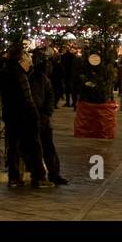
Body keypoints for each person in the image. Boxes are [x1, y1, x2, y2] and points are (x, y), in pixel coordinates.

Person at [0, 42, 52, 188]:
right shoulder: (20, 75)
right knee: (33, 146)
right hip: (25, 116)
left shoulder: (1, 74)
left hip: (10, 115)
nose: (28, 63)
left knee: (12, 147)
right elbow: (27, 98)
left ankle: (13, 178)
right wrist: (35, 116)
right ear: (20, 61)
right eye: (26, 60)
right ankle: (39, 177)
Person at [28, 51, 68, 185]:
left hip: (43, 116)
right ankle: (39, 175)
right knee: (36, 147)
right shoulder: (27, 77)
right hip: (31, 116)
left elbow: (50, 95)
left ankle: (54, 173)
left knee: (48, 146)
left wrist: (47, 111)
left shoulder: (43, 78)